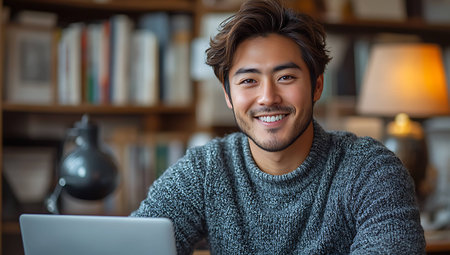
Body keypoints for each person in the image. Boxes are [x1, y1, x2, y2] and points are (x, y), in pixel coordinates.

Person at [131, 0, 425, 254]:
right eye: (248, 81)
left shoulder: (370, 170)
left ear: (317, 85)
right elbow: (133, 245)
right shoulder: (205, 171)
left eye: (286, 77)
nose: (268, 98)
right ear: (228, 96)